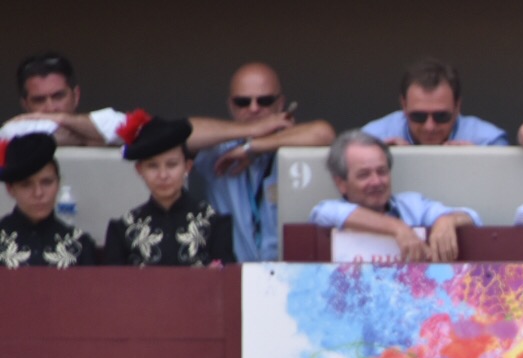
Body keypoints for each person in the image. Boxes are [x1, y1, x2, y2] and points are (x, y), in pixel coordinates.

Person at [193, 62, 336, 263]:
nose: (254, 108)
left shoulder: (293, 144)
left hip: (291, 273)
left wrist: (252, 147)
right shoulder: (218, 150)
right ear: (231, 106)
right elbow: (184, 133)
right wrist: (253, 130)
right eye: (243, 102)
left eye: (265, 101)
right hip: (235, 274)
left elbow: (324, 133)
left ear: (281, 104)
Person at [4, 51, 269, 151]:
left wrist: (64, 122)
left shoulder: (103, 120)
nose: (51, 108)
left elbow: (137, 131)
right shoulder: (10, 132)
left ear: (76, 95)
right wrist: (91, 137)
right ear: (25, 105)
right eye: (40, 101)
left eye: (59, 97)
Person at [309, 130, 480, 262]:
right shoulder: (330, 210)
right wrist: (398, 228)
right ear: (341, 184)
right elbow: (323, 213)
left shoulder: (412, 205)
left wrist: (447, 221)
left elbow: (473, 217)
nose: (376, 182)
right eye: (364, 175)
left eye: (382, 172)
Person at [103, 113, 234, 266]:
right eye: (152, 166)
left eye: (172, 165)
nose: (163, 175)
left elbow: (226, 282)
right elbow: (111, 286)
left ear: (187, 167)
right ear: (140, 170)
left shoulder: (215, 224)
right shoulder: (122, 230)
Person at [0, 133, 99, 267]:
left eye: (46, 182)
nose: (38, 193)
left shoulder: (79, 244)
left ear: (58, 183)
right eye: (26, 185)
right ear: (10, 189)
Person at [360, 57, 508, 147]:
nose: (430, 126)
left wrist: (479, 161)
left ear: (457, 107)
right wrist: (377, 159)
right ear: (404, 105)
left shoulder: (487, 141)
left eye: (441, 116)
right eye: (419, 116)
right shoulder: (372, 138)